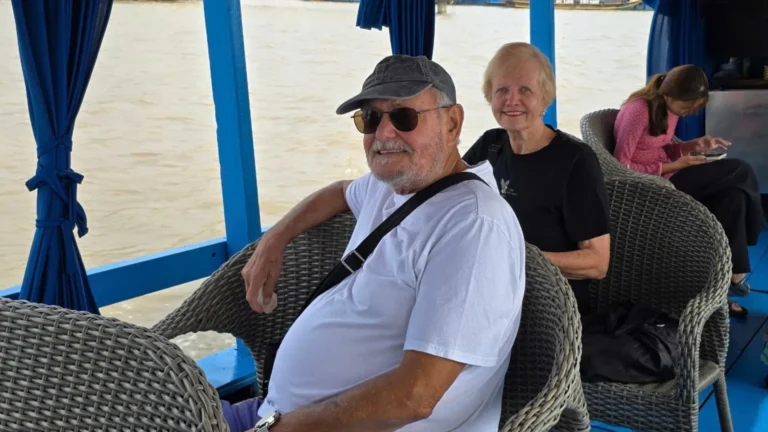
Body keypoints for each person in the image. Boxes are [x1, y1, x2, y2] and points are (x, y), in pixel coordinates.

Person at [225, 55, 527, 432]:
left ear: (452, 123)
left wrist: (276, 429)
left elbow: (415, 397)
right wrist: (275, 239)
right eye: (370, 118)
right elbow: (338, 193)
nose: (384, 134)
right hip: (273, 413)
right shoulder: (396, 183)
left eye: (404, 117)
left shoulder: (473, 226)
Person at [463, 42, 611, 315]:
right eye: (502, 90)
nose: (512, 100)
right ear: (489, 96)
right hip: (488, 290)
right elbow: (443, 190)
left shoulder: (574, 161)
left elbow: (597, 262)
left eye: (525, 90)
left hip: (547, 307)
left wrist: (516, 257)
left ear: (545, 98)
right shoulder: (490, 146)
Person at [613, 64, 766, 318]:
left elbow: (663, 148)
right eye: (686, 107)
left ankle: (732, 274)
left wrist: (694, 145)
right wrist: (673, 166)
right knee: (741, 170)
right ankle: (756, 231)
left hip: (671, 175)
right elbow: (621, 166)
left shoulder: (666, 109)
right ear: (670, 95)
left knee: (734, 197)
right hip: (654, 188)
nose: (685, 114)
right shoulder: (638, 111)